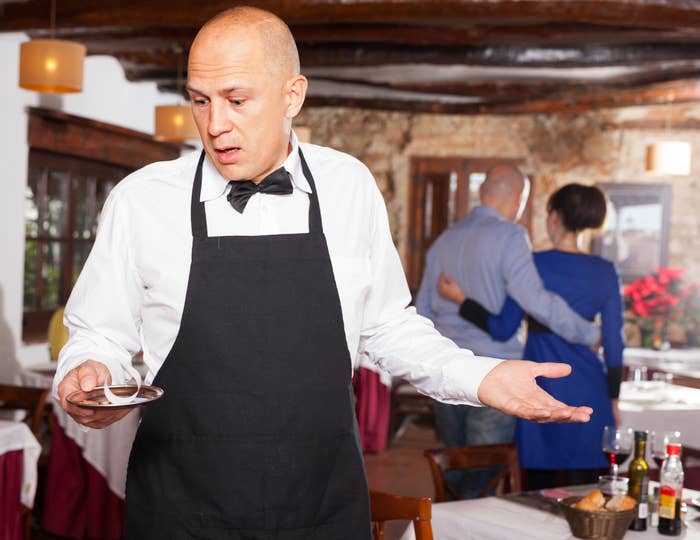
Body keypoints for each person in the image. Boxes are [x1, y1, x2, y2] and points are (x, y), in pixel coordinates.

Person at [54, 7, 592, 539]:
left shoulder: (347, 186)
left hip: (322, 506)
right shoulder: (142, 199)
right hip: (181, 508)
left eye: (237, 100)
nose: (215, 125)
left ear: (293, 95)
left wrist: (481, 376)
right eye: (200, 100)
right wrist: (87, 368)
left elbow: (384, 326)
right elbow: (100, 332)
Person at [415, 166, 600, 498]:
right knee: (487, 470)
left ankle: (444, 526)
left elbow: (423, 311)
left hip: (445, 370)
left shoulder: (444, 240)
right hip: (493, 373)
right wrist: (585, 331)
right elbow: (535, 300)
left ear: (482, 192)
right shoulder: (512, 236)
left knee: (452, 463)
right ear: (518, 198)